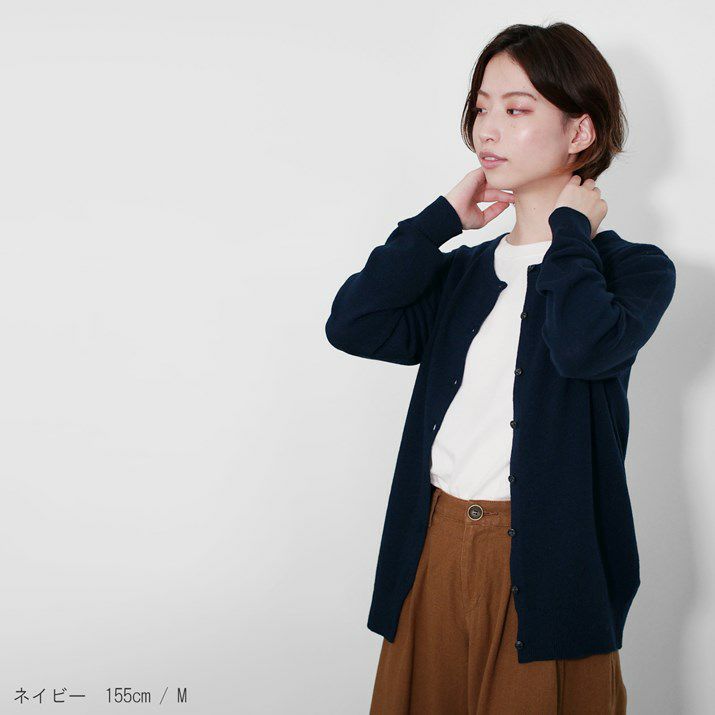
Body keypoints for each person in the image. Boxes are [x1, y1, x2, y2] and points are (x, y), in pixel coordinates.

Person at [324, 21, 676, 714]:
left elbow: (580, 347)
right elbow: (353, 323)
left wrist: (569, 233)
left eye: (516, 109)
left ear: (580, 131)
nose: (486, 128)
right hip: (433, 546)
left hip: (551, 563)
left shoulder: (631, 271)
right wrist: (436, 224)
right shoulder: (461, 275)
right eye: (482, 106)